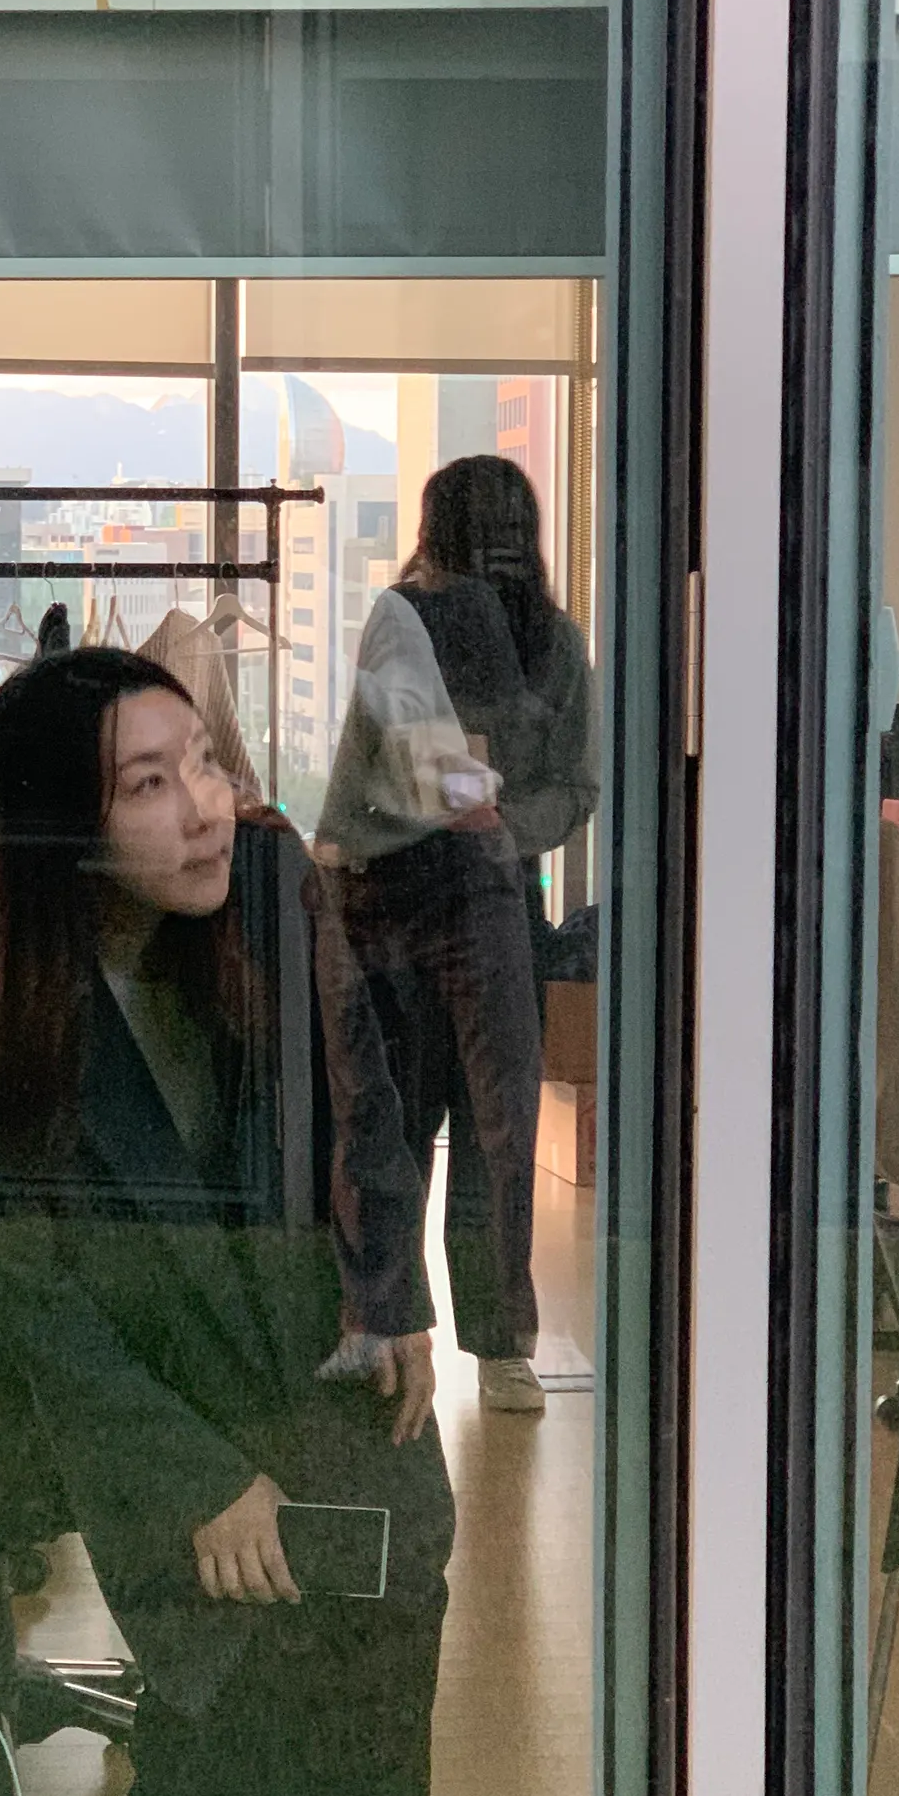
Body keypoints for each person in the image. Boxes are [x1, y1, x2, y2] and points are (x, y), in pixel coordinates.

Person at [0, 648, 460, 1796]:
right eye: (149, 783)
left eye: (203, 759)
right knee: (238, 1642)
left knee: (393, 1576)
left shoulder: (265, 882)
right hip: (115, 1379)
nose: (205, 805)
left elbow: (366, 1098)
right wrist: (193, 1476)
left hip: (297, 1326)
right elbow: (23, 1291)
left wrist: (391, 1292)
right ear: (62, 825)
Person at [317, 453, 597, 1416]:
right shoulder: (405, 619)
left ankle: (496, 1340)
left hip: (485, 893)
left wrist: (498, 827)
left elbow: (577, 783)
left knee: (493, 1124)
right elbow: (370, 762)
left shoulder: (553, 646)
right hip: (393, 893)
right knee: (397, 1117)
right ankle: (391, 1324)